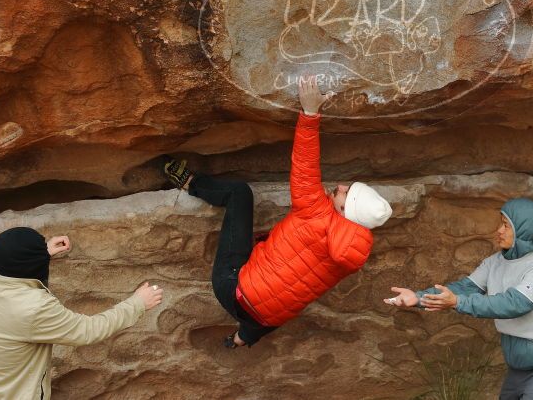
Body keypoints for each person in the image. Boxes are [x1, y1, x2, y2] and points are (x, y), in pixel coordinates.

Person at [163, 76, 393, 348]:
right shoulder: (351, 253)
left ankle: (191, 183)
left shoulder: (316, 211)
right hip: (262, 319)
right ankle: (240, 339)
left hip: (233, 286)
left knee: (239, 193)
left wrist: (310, 113)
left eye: (346, 191)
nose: (341, 186)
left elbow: (305, 166)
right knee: (289, 298)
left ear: (345, 210)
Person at [385, 198, 533, 399]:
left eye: (507, 225)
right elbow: (465, 288)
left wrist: (457, 302)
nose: (499, 230)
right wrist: (418, 297)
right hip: (518, 367)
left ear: (524, 230)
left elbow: (512, 304)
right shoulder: (494, 262)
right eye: (501, 223)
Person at [0, 226, 163, 400]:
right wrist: (137, 304)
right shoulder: (32, 307)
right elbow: (87, 331)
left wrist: (40, 253)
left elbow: (11, 264)